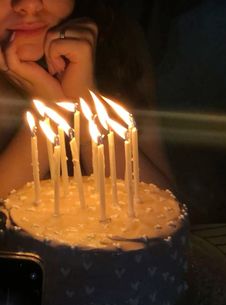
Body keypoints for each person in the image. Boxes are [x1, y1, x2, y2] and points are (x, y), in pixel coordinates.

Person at [0, 0, 173, 199]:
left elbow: (164, 209)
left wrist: (85, 102)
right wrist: (50, 112)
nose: (29, 5)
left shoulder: (116, 43)